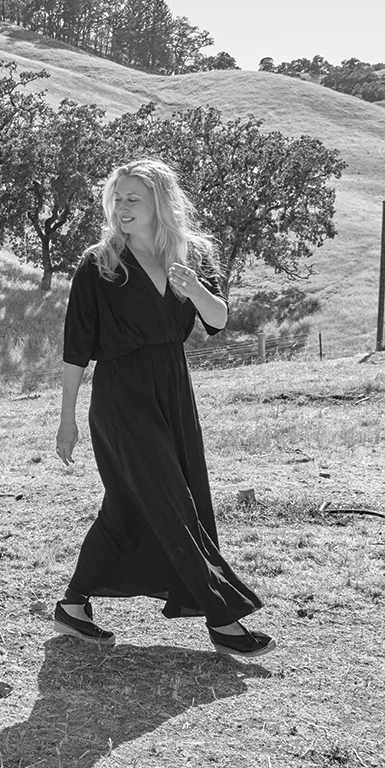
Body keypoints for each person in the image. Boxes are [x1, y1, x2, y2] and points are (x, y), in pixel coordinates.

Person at [54, 158, 273, 657]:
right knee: (172, 502)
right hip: (120, 394)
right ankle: (223, 618)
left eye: (134, 198)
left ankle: (73, 606)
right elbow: (76, 347)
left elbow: (218, 320)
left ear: (159, 202)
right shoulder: (99, 262)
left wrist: (193, 287)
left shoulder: (192, 255)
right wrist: (67, 419)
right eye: (118, 198)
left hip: (174, 388)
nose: (123, 207)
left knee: (137, 503)